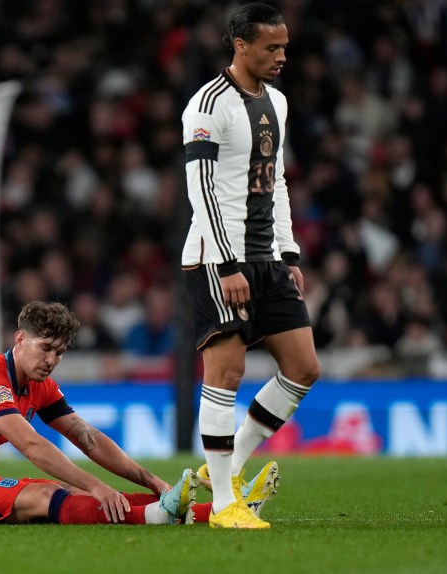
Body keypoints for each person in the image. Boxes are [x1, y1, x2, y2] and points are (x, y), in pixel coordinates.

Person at [0, 300, 279, 526]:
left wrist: (152, 481)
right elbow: (32, 446)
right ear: (19, 340)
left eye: (59, 353)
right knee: (50, 495)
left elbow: (86, 437)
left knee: (71, 494)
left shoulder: (38, 384)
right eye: (45, 348)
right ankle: (160, 516)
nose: (51, 361)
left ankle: (225, 508)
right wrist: (98, 485)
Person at [180, 2, 320, 529]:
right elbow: (203, 191)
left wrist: (287, 252)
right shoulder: (207, 105)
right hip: (219, 259)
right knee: (227, 373)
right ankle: (221, 506)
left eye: (284, 46)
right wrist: (228, 262)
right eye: (271, 47)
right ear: (240, 46)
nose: (282, 55)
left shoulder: (277, 103)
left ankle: (229, 473)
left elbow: (274, 180)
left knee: (303, 368)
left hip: (266, 257)